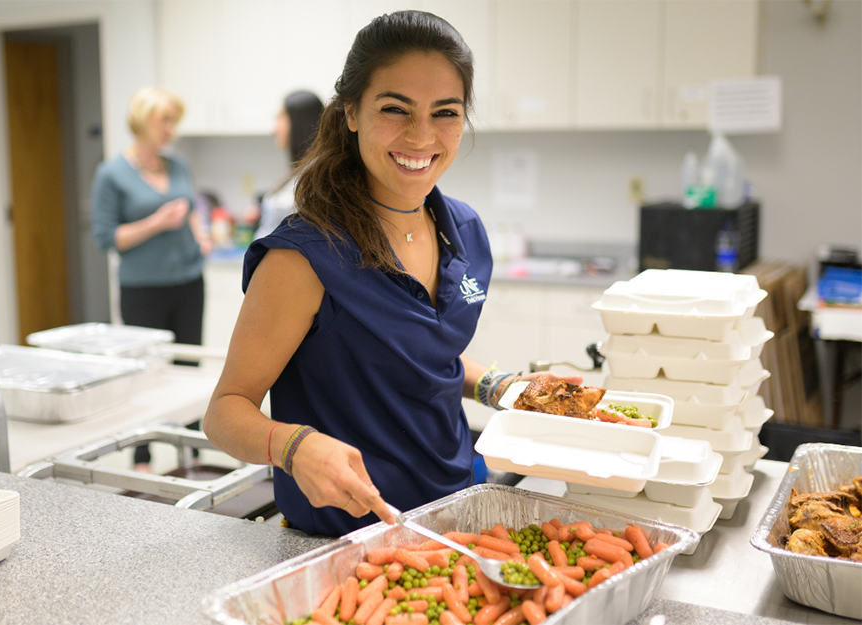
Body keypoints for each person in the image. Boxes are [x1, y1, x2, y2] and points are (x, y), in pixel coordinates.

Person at [202, 10, 577, 536]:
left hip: (462, 512)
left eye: (445, 112)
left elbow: (424, 357)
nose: (422, 136)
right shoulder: (305, 257)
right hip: (348, 537)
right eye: (396, 109)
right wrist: (292, 446)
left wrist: (502, 387)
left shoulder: (464, 231)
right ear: (351, 113)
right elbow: (224, 411)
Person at [92, 86, 212, 472]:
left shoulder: (177, 165)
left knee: (188, 370)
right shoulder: (112, 174)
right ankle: (141, 458)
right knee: (146, 376)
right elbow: (108, 238)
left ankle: (190, 453)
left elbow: (190, 206)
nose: (170, 129)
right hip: (142, 289)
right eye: (165, 119)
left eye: (174, 121)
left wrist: (201, 234)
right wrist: (157, 222)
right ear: (143, 121)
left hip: (189, 282)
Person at [253, 90, 325, 240]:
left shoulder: (318, 177)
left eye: (280, 118)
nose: (274, 129)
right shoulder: (301, 171)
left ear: (299, 122)